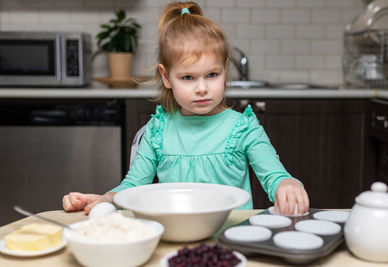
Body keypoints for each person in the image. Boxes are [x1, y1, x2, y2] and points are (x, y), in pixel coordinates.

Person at [63, 1, 309, 215]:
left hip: (229, 240)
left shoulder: (243, 128)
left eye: (212, 74)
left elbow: (274, 175)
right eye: (188, 78)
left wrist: (287, 184)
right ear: (166, 77)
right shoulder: (157, 131)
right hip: (173, 239)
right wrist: (105, 199)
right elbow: (133, 186)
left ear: (225, 70)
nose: (201, 88)